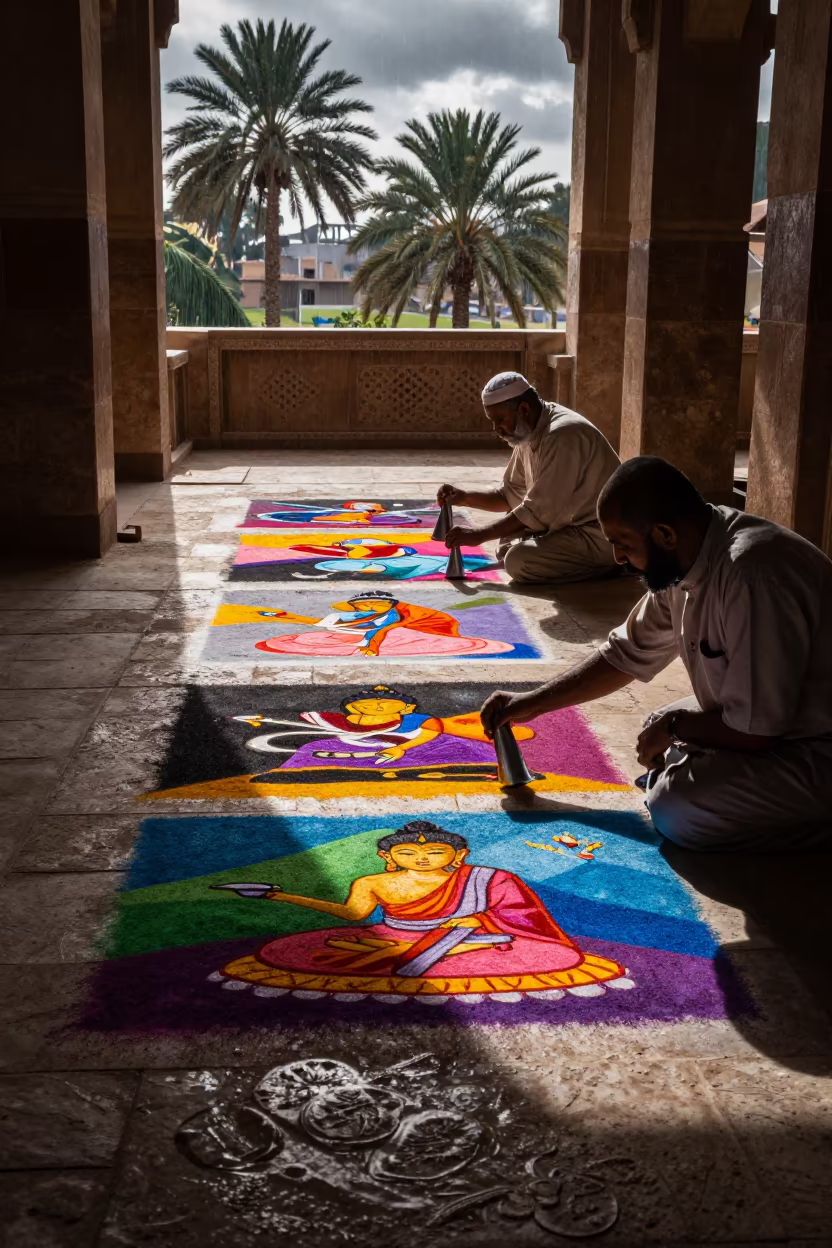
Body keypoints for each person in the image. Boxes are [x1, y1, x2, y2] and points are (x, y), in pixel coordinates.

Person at [480, 456, 832, 852]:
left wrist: (678, 727)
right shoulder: (684, 557)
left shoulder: (750, 573)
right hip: (778, 723)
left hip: (815, 744)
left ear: (664, 534)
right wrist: (532, 702)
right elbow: (625, 653)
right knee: (659, 729)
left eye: (622, 544)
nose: (617, 558)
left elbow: (756, 732)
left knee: (676, 809)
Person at [215, 820, 627, 999]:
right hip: (396, 937)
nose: (423, 857)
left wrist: (477, 919)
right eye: (409, 852)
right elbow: (355, 916)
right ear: (389, 857)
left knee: (546, 957)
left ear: (458, 854)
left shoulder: (483, 877)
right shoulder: (372, 882)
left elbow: (521, 914)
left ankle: (461, 950)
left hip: (469, 936)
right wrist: (280, 896)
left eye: (435, 851)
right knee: (316, 955)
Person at [437, 371, 620, 583]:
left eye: (500, 420)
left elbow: (537, 511)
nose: (497, 429)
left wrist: (479, 535)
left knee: (518, 561)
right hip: (566, 527)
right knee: (507, 544)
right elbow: (509, 495)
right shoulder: (528, 430)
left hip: (600, 535)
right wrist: (464, 497)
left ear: (523, 409)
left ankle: (610, 566)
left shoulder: (562, 435)